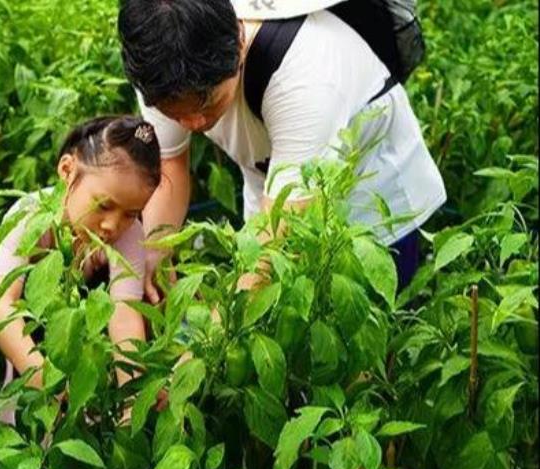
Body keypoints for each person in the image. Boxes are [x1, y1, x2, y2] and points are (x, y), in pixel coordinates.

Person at [118, 0, 446, 296]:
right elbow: (170, 166)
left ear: (239, 42)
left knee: (370, 319)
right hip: (273, 191)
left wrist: (209, 346)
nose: (193, 122)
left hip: (370, 200)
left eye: (208, 102)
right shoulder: (160, 64)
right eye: (174, 112)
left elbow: (280, 240)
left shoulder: (304, 79)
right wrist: (154, 253)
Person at [0, 115, 165, 423]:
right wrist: (47, 381)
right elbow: (0, 304)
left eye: (130, 214)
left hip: (91, 370)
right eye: (104, 206)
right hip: (30, 360)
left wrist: (132, 397)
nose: (112, 225)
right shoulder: (30, 217)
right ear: (67, 170)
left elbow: (123, 314)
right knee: (26, 430)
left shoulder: (130, 234)